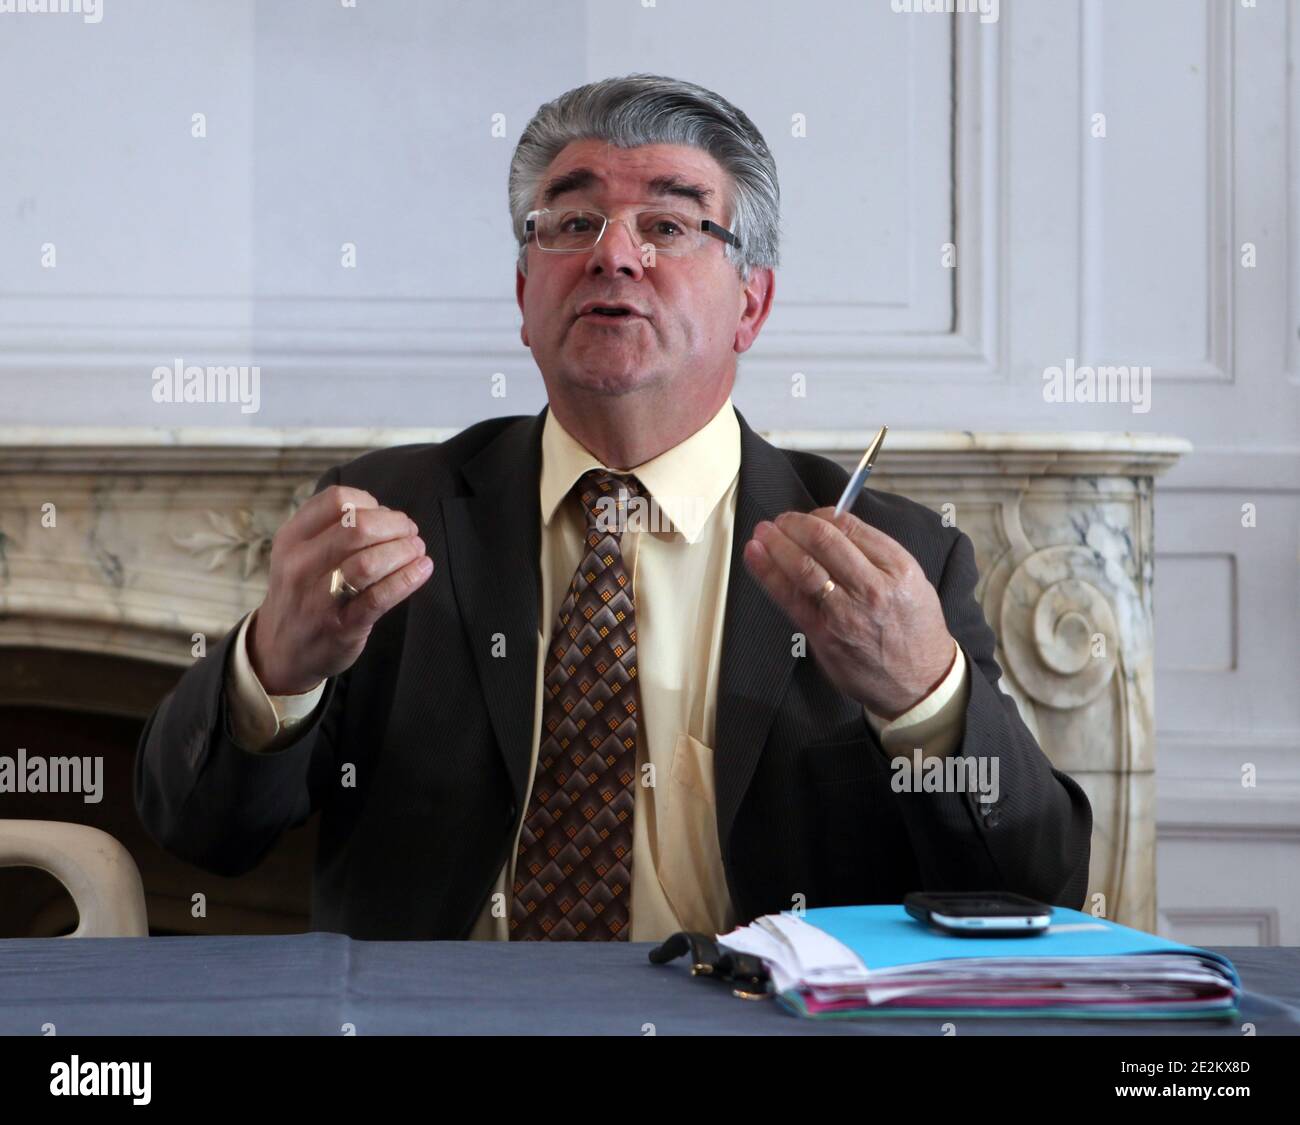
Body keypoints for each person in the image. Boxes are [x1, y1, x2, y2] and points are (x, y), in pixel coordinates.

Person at [135, 74, 1091, 941]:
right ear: (524, 290)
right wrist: (274, 669)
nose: (614, 256)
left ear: (751, 305)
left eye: (669, 226)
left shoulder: (894, 555)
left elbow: (1034, 887)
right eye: (573, 222)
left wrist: (927, 696)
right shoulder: (391, 513)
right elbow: (198, 830)